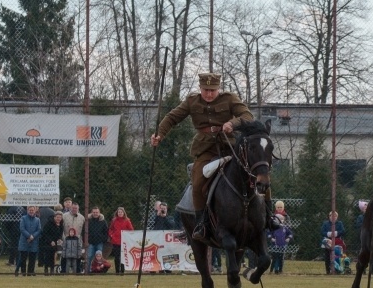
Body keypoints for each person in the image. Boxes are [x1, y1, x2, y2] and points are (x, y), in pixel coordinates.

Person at [150, 72, 280, 241]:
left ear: (218, 88)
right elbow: (172, 118)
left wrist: (232, 123)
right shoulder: (192, 101)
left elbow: (247, 116)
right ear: (200, 88)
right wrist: (159, 134)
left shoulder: (230, 99)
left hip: (231, 147)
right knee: (197, 183)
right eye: (206, 90)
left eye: (213, 90)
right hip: (205, 149)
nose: (209, 94)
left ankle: (269, 217)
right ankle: (201, 224)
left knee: (259, 173)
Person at [108, 206, 133, 276]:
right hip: (116, 241)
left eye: (121, 212)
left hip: (124, 241)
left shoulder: (127, 220)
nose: (120, 213)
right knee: (116, 257)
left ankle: (122, 271)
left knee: (123, 257)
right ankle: (117, 271)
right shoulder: (114, 220)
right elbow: (110, 229)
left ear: (123, 213)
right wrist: (112, 235)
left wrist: (127, 235)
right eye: (119, 212)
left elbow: (131, 230)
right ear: (117, 213)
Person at [16, 206, 41, 277]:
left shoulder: (37, 220)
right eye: (30, 210)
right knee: (23, 258)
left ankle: (30, 272)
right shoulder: (23, 218)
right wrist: (29, 236)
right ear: (27, 210)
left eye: (32, 210)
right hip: (24, 241)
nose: (31, 211)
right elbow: (22, 229)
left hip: (34, 241)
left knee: (32, 258)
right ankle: (23, 272)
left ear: (35, 211)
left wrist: (33, 236)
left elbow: (39, 230)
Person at [62, 202, 85, 273]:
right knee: (65, 257)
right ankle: (63, 272)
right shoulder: (64, 216)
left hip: (77, 241)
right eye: (73, 208)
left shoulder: (82, 218)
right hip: (66, 240)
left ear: (78, 209)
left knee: (77, 257)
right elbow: (61, 228)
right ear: (70, 208)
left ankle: (77, 272)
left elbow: (83, 231)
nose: (74, 209)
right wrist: (63, 239)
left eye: (76, 208)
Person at [39, 211, 64, 275]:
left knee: (54, 256)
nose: (58, 219)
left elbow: (60, 234)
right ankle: (46, 269)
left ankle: (52, 269)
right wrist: (50, 241)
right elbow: (45, 233)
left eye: (60, 217)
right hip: (48, 242)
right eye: (57, 217)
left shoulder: (61, 224)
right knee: (48, 256)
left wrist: (60, 239)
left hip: (56, 243)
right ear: (54, 217)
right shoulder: (49, 223)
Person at [86, 206, 109, 273]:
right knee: (89, 256)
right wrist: (86, 240)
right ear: (91, 213)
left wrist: (103, 239)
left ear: (99, 213)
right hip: (90, 242)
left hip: (99, 242)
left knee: (99, 257)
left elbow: (106, 232)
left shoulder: (103, 221)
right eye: (94, 212)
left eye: (97, 212)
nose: (95, 213)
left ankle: (99, 270)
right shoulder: (88, 221)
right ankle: (88, 271)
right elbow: (84, 231)